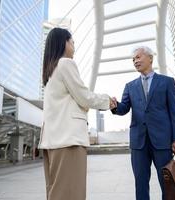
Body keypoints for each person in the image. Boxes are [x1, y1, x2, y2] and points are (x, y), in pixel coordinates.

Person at [38, 27, 116, 200]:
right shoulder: (65, 63)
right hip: (69, 141)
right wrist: (108, 101)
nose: (74, 46)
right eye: (72, 42)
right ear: (63, 43)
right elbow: (84, 96)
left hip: (52, 141)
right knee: (71, 194)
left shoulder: (50, 71)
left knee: (55, 192)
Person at [111, 46, 175, 200]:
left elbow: (174, 112)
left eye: (138, 57)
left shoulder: (167, 82)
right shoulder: (130, 86)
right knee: (141, 183)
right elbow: (124, 108)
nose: (135, 61)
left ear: (150, 58)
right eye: (133, 60)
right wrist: (115, 105)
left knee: (167, 182)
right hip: (139, 143)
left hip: (162, 142)